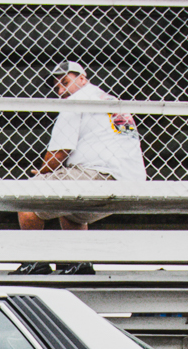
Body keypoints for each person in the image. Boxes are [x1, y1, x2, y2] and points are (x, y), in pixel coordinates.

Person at [13, 60, 147, 276]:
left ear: (82, 79)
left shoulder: (77, 100)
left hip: (98, 173)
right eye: (57, 87)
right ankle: (78, 261)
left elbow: (59, 151)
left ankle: (34, 261)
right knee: (70, 210)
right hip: (131, 179)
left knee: (26, 195)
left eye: (65, 82)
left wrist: (43, 171)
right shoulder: (111, 101)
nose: (61, 91)